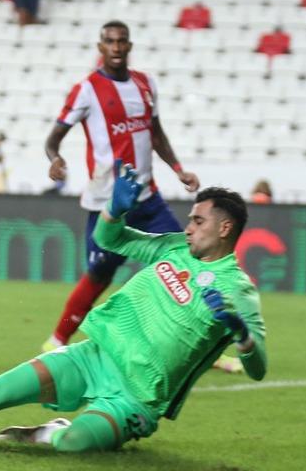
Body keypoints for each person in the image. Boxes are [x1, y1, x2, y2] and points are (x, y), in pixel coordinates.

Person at [0, 175, 266, 453]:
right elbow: (110, 239)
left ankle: (51, 432)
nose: (188, 228)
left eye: (198, 221)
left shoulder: (238, 290)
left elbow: (258, 368)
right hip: (91, 357)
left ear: (224, 228)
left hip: (136, 398)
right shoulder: (175, 248)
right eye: (190, 220)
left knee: (75, 443)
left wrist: (242, 335)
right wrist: (114, 211)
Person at [35, 21, 249, 371]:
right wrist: (54, 159)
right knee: (100, 274)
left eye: (122, 41)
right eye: (110, 42)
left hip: (148, 199)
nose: (116, 47)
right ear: (101, 47)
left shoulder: (145, 84)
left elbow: (156, 133)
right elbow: (53, 138)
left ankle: (204, 350)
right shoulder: (86, 90)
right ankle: (56, 341)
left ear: (129, 45)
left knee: (186, 260)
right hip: (108, 203)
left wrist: (177, 168)